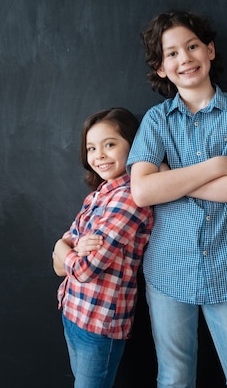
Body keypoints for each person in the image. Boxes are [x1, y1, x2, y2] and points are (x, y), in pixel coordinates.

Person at [127, 10, 227, 388]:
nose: (184, 58)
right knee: (174, 379)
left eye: (192, 46)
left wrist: (169, 180)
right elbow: (142, 191)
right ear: (161, 68)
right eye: (171, 53)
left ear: (209, 50)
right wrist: (217, 167)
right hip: (168, 268)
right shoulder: (156, 121)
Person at [53, 108, 154, 388]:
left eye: (110, 144)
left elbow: (83, 269)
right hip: (73, 309)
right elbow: (59, 265)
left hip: (99, 323)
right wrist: (65, 249)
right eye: (91, 148)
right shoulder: (98, 194)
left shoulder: (130, 198)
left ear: (133, 145)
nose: (99, 155)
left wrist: (62, 248)